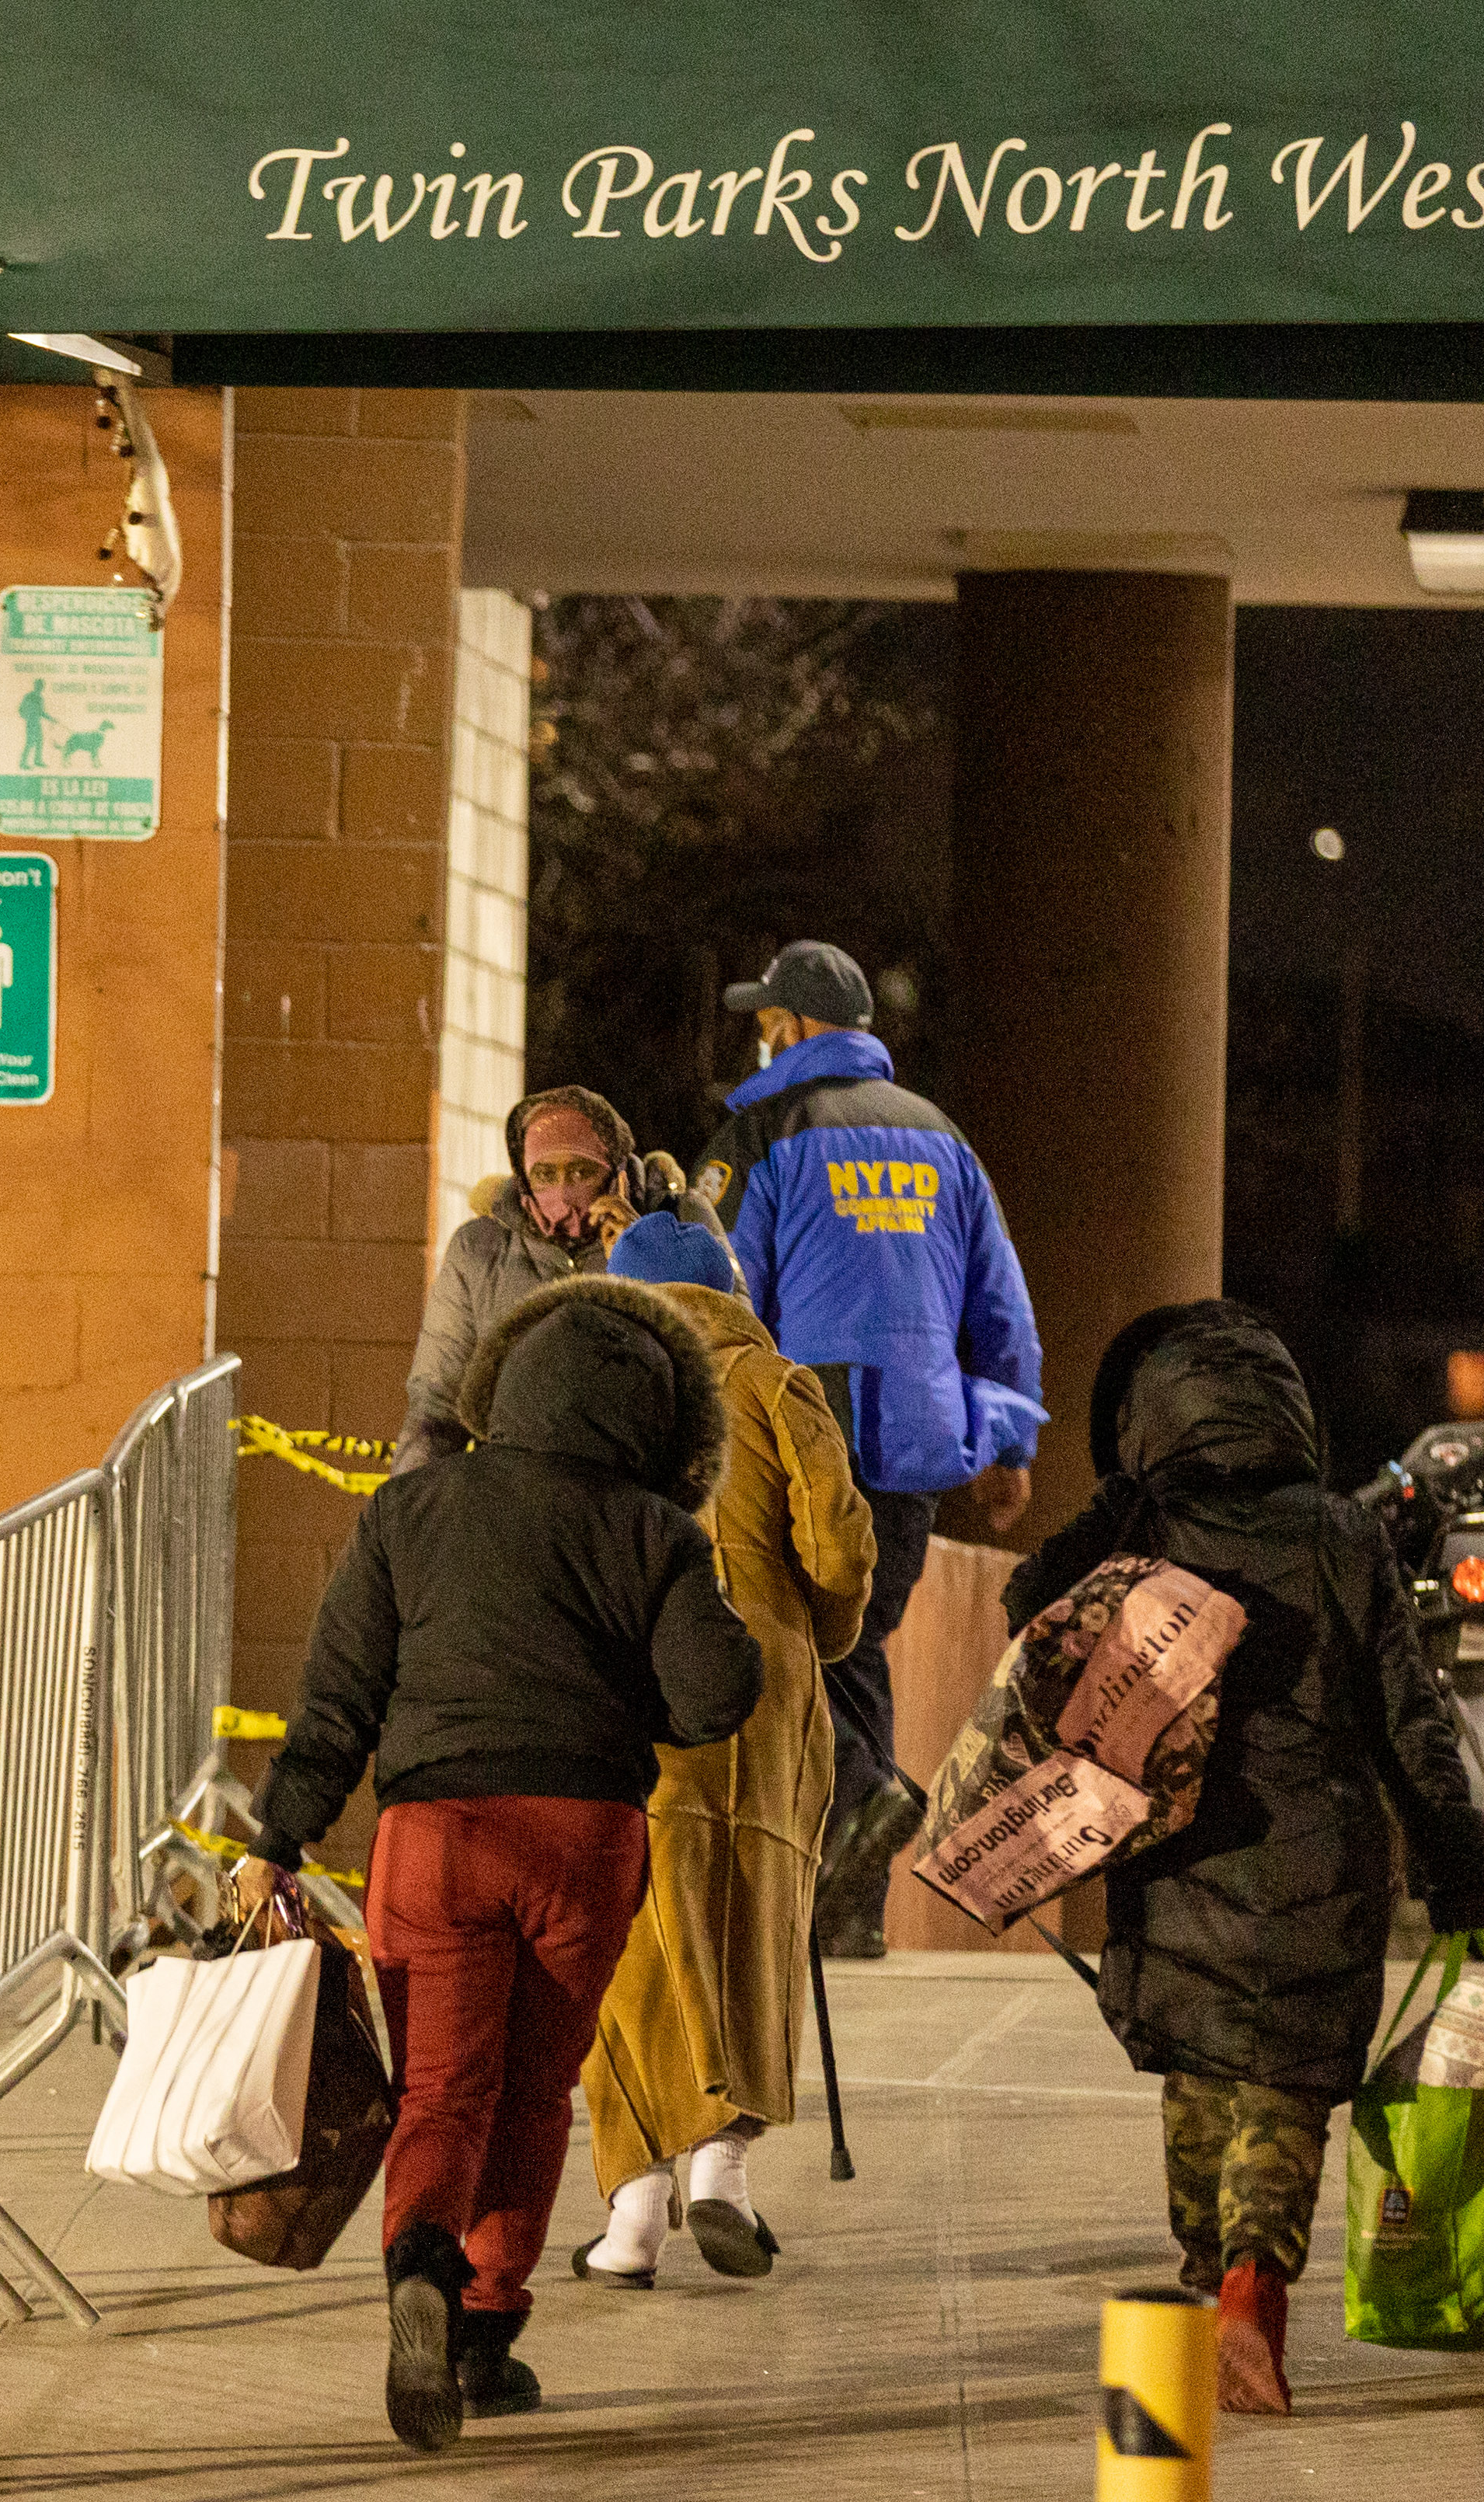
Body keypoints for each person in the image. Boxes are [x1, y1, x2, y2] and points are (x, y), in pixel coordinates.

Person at [241, 1273, 761, 2453]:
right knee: (531, 2094)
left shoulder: (410, 1510)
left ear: (505, 1386)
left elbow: (338, 1696)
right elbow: (714, 1696)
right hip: (585, 1837)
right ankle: (482, 2337)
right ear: (657, 1421)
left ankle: (420, 2261)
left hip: (436, 1836)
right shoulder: (656, 1530)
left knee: (441, 2088)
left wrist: (278, 1837)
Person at [998, 1301, 1484, 2417]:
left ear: (1150, 1423)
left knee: (1200, 2087)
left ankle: (1205, 2290)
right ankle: (1246, 2290)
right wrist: (1457, 1863)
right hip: (1321, 1873)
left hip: (1179, 1870)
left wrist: (1110, 1513)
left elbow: (1026, 1615)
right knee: (1283, 2099)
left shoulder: (1142, 1534)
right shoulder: (1340, 1536)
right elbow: (1411, 1720)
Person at [701, 939, 1043, 1958]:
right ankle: (846, 1909)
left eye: (769, 1020)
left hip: (802, 1432)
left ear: (797, 1026)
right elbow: (998, 1303)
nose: (762, 1035)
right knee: (853, 1646)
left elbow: (721, 1293)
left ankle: (863, 1790)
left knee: (786, 1641)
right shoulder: (942, 1140)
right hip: (916, 1441)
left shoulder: (765, 1131)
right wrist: (1009, 1441)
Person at [557, 1214, 872, 2288]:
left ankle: (632, 2214)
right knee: (756, 1918)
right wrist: (816, 1634)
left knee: (637, 1936)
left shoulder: (593, 1390)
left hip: (633, 1678)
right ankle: (723, 2173)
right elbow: (838, 1545)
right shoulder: (776, 1383)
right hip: (767, 1697)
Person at [395, 1085, 693, 1474]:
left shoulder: (681, 1221)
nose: (563, 1192)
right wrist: (410, 1504)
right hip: (517, 1487)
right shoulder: (480, 1251)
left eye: (582, 1171)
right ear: (524, 1177)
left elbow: (729, 1345)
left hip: (638, 1485)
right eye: (545, 1174)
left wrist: (646, 1256)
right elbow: (435, 1407)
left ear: (615, 1174)